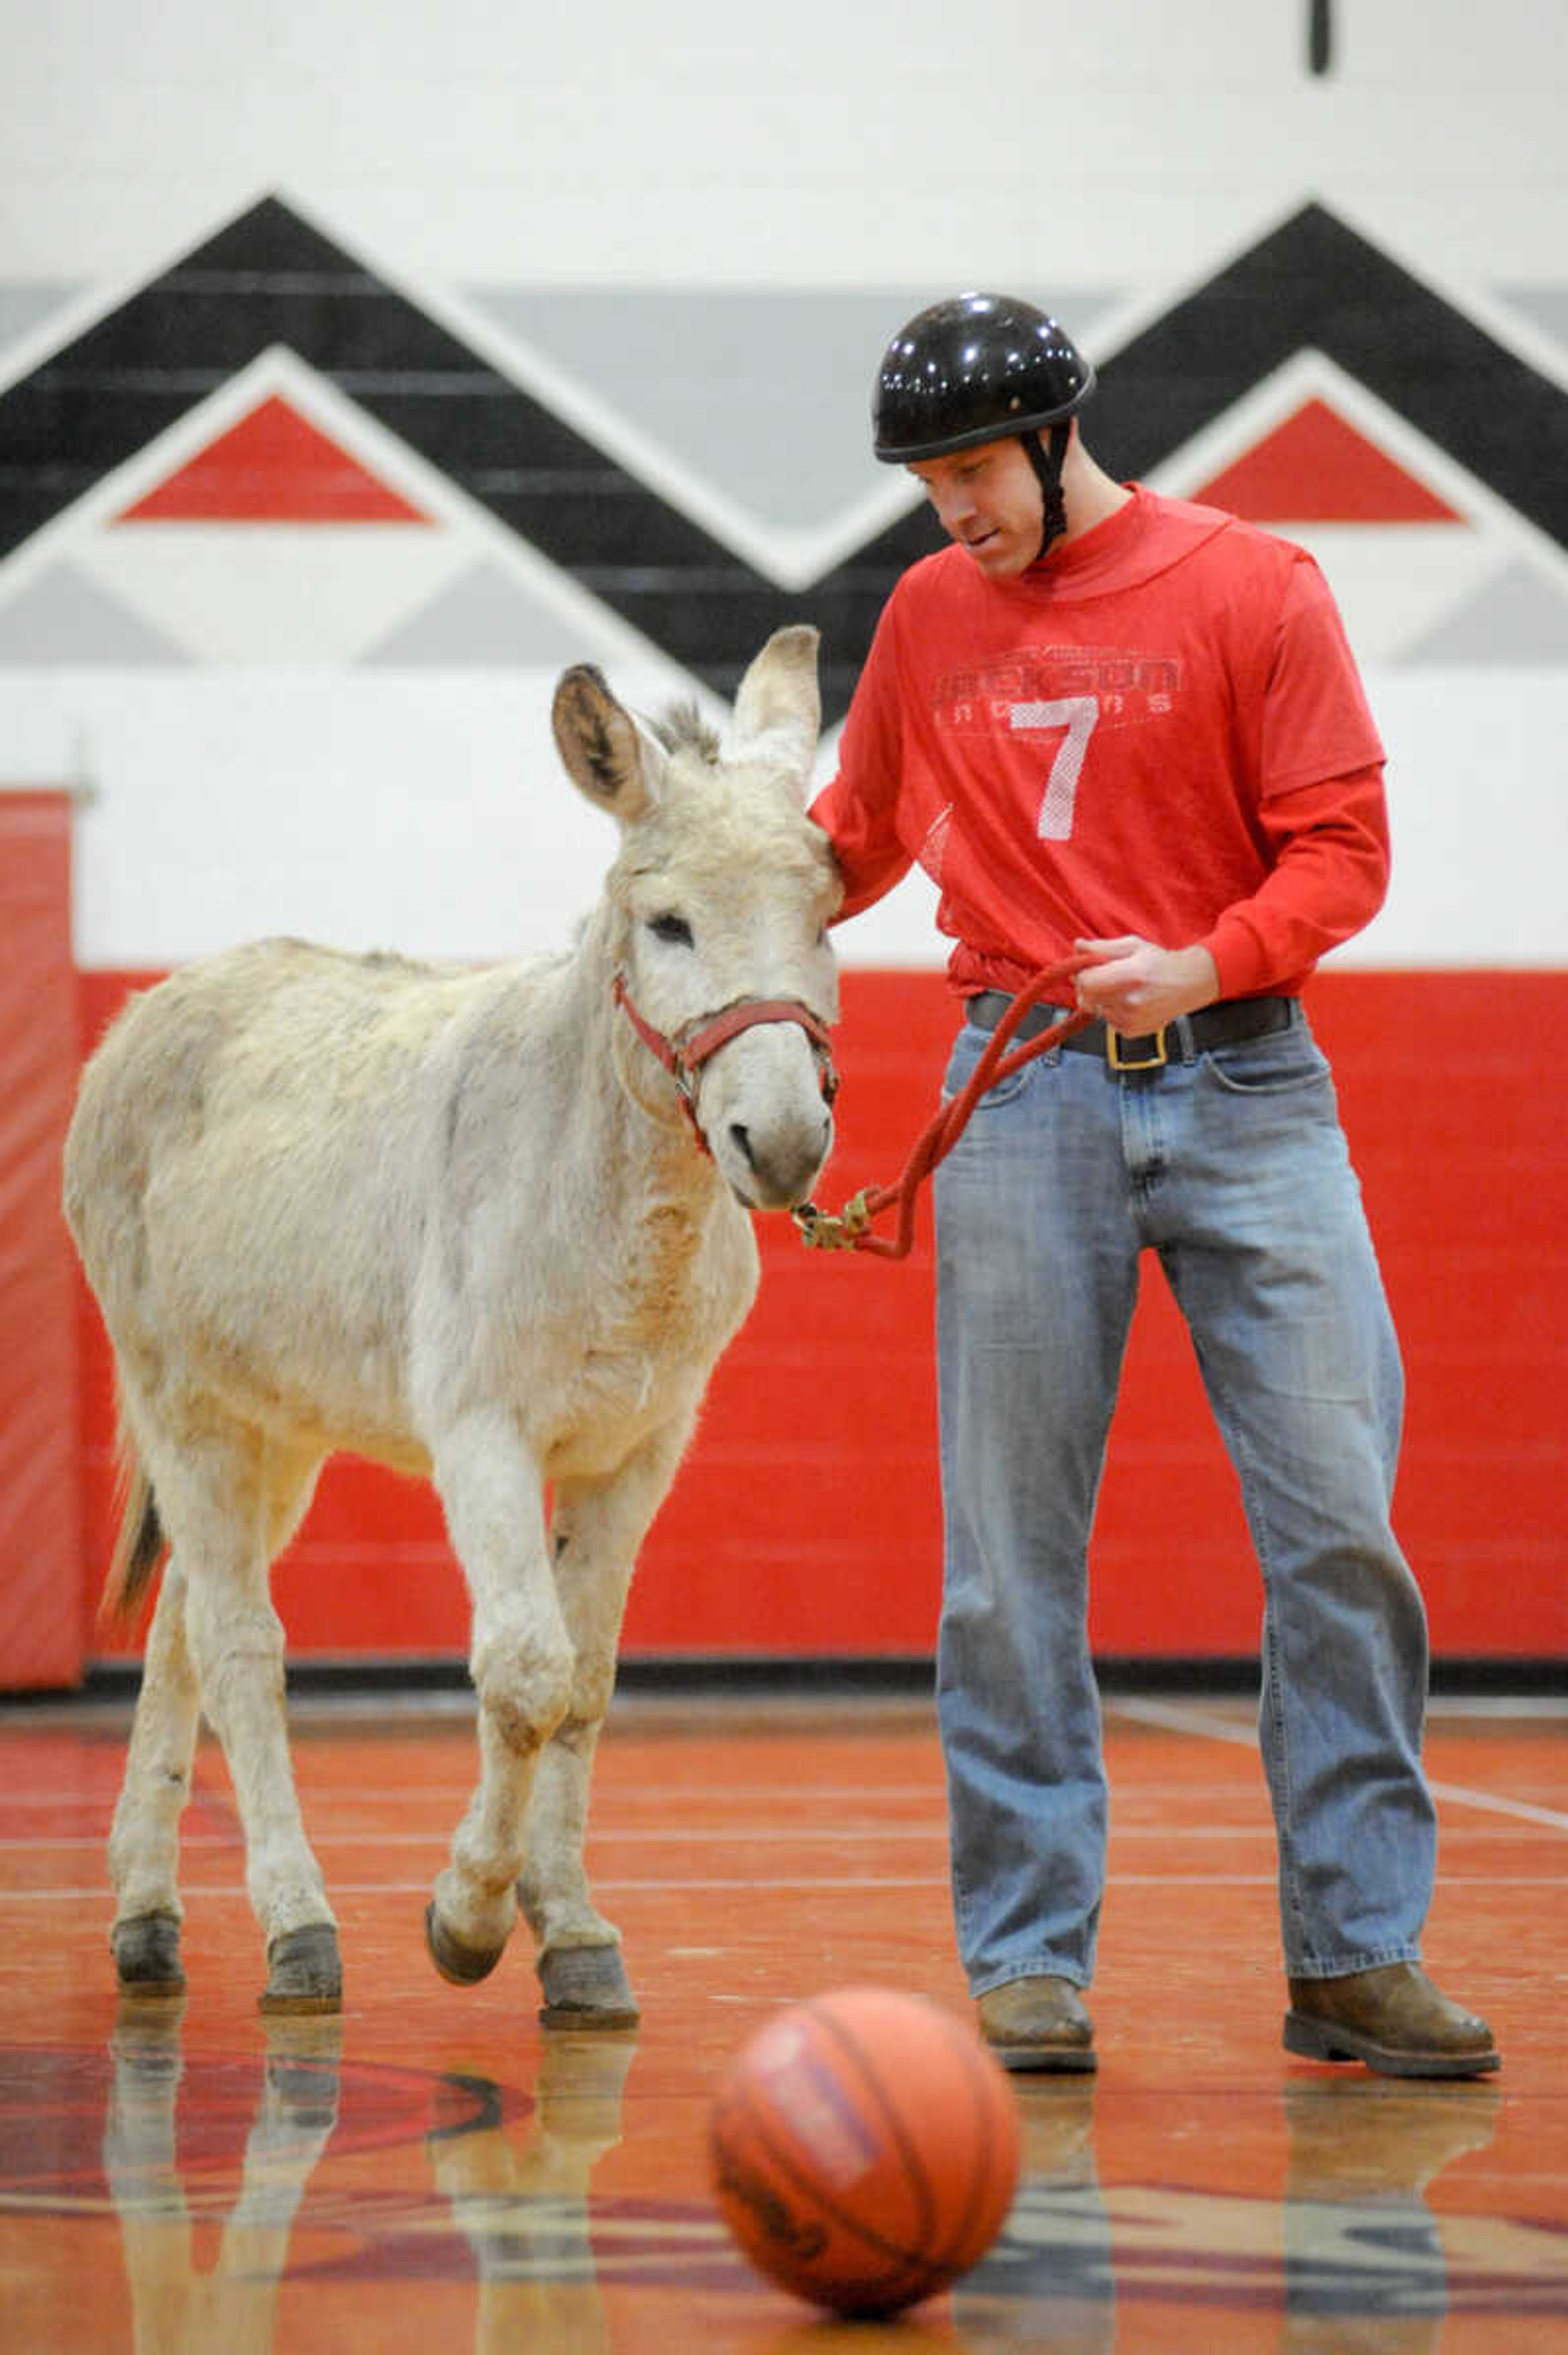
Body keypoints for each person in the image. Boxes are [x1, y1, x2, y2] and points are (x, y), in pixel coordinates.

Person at [808, 292, 1498, 2080]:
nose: (951, 508)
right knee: (1006, 1557)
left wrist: (1205, 962)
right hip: (1020, 1083)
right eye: (926, 482)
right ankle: (1029, 1959)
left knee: (1340, 1522)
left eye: (971, 470)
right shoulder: (925, 616)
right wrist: (698, 919)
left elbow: (1345, 851)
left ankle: (1356, 1951)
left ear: (1053, 437)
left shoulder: (1255, 584)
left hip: (1252, 1081)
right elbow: (854, 840)